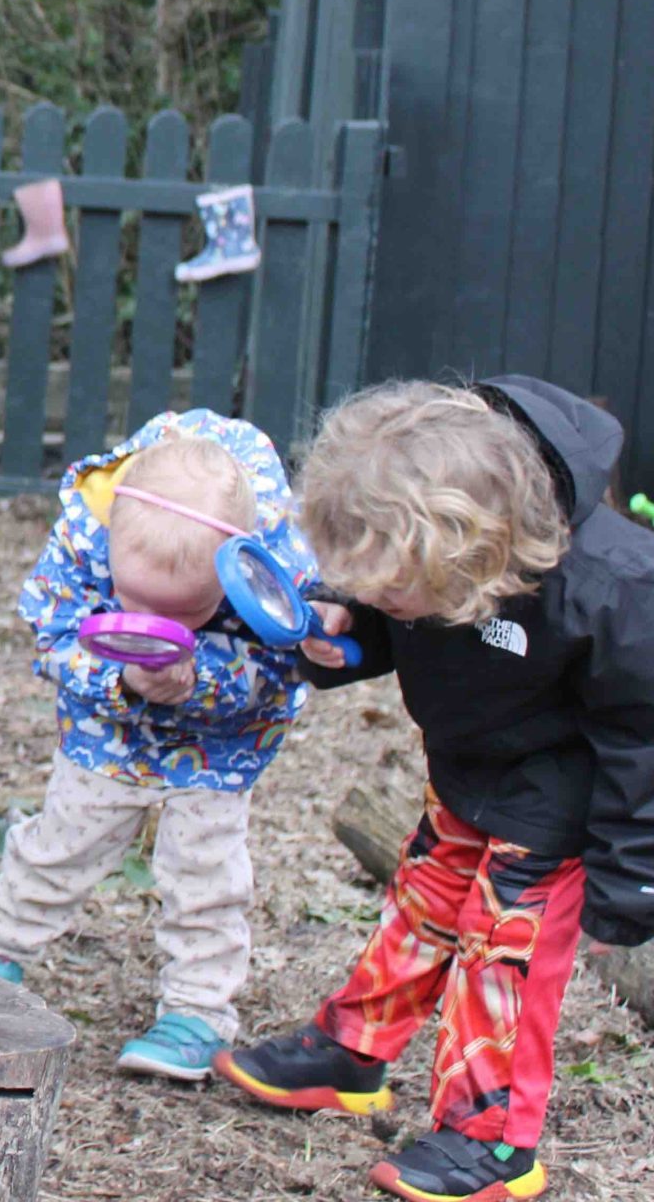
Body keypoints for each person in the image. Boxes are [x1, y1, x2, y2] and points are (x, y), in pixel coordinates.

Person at [215, 379, 654, 1202]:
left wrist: (634, 875)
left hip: (555, 813)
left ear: (472, 555)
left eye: (390, 591)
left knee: (503, 963)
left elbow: (646, 737)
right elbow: (396, 609)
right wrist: (348, 624)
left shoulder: (615, 587)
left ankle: (491, 1143)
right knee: (419, 910)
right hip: (465, 773)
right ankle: (353, 1053)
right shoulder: (430, 526)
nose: (375, 596)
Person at [0, 411, 318, 1079]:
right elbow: (52, 633)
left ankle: (197, 1011)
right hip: (109, 733)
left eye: (186, 613)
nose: (156, 626)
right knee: (60, 842)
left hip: (218, 748)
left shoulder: (274, 568)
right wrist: (118, 677)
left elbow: (285, 666)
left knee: (205, 871)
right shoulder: (84, 533)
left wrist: (202, 681)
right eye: (135, 600)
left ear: (234, 570)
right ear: (113, 541)